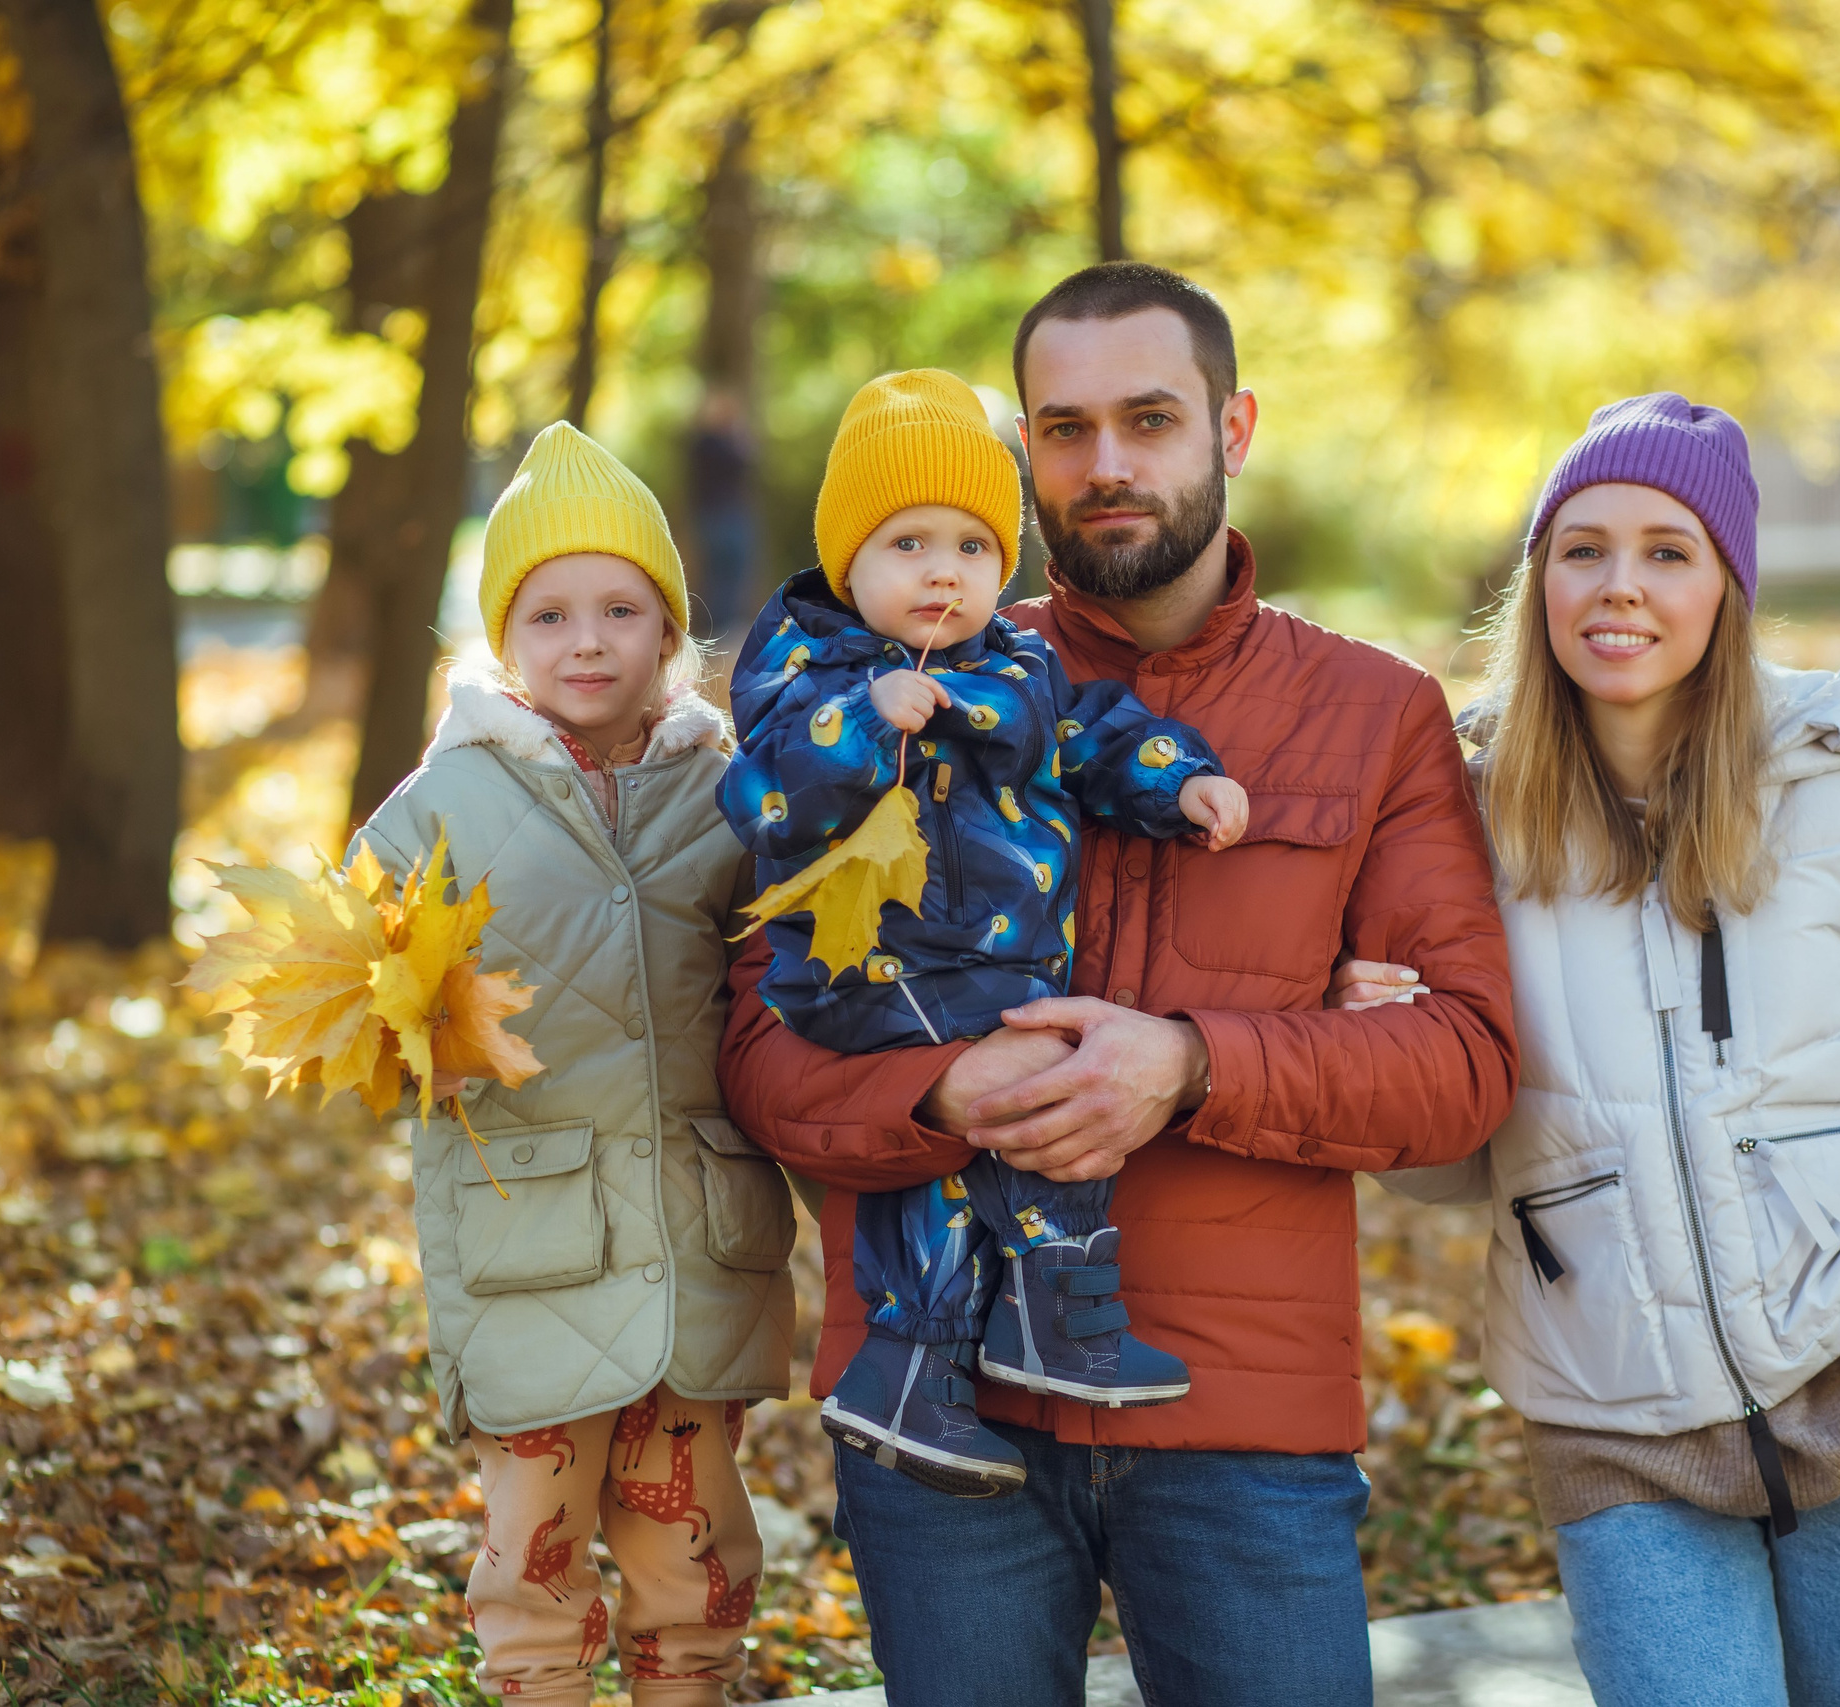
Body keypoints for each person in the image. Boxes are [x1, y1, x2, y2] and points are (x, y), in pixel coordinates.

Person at [718, 263, 1519, 1707]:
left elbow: (1461, 1063)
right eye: (1065, 428)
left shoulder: (1371, 712)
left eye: (1150, 418)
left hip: (1244, 1417)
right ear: (1025, 449)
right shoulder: (902, 688)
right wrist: (939, 1083)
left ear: (1236, 423)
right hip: (937, 1404)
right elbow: (760, 1056)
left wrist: (1197, 1060)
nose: (1107, 465)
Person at [1351, 393, 1840, 1707]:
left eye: (1667, 550)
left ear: (1725, 587)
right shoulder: (1460, 827)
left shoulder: (1836, 792)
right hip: (1610, 1416)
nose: (1619, 586)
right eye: (1583, 548)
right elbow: (1458, 1167)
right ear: (1537, 581)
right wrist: (1386, 1067)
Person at [719, 368, 1250, 1496]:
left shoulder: (1015, 665)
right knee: (1036, 1092)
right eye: (907, 544)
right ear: (847, 563)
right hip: (871, 964)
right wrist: (862, 724)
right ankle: (1035, 1319)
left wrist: (1180, 781)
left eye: (969, 546)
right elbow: (759, 797)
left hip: (997, 960)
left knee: (984, 1150)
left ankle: (941, 1362)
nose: (942, 571)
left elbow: (1093, 735)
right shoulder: (808, 670)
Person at [354, 421, 796, 1706]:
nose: (587, 640)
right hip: (530, 1244)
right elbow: (354, 996)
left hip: (696, 1237)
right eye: (548, 615)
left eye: (620, 608)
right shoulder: (439, 808)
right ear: (504, 641)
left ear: (670, 631)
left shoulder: (731, 789)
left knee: (696, 1563)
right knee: (534, 1570)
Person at [685, 389, 758, 634]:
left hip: (719, 515)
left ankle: (723, 626)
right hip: (722, 517)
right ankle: (722, 627)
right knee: (724, 574)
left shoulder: (702, 444)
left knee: (726, 575)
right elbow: (745, 459)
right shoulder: (711, 444)